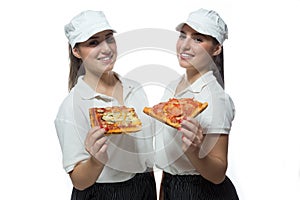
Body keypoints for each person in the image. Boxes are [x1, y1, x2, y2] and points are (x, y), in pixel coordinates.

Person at [54, 10, 156, 200]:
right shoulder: (72, 106)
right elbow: (79, 181)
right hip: (101, 193)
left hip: (144, 188)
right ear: (76, 51)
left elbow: (146, 157)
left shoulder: (135, 89)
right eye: (93, 42)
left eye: (109, 38)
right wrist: (96, 160)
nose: (106, 49)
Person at [155, 8, 239, 199]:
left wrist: (194, 151)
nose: (185, 46)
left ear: (216, 49)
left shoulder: (216, 99)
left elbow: (218, 174)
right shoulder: (172, 86)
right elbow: (171, 165)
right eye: (182, 35)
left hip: (201, 192)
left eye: (198, 39)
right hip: (171, 186)